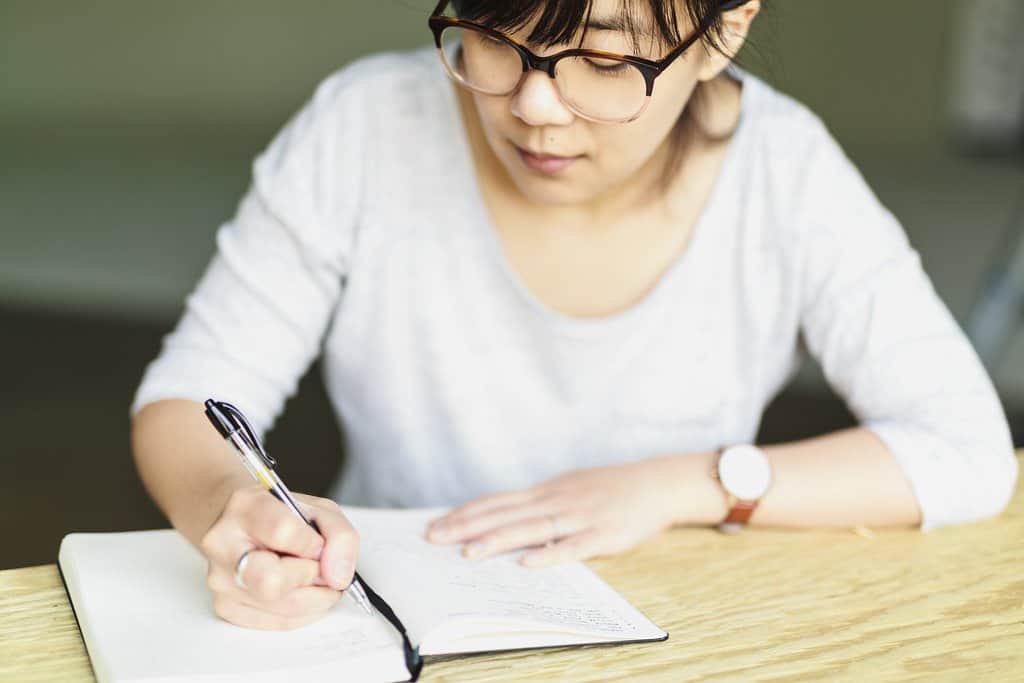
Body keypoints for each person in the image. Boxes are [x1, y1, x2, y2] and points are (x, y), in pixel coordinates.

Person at [130, 0, 1018, 631]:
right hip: (392, 619)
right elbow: (189, 396)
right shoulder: (365, 127)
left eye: (603, 60)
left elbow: (967, 452)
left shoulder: (786, 174)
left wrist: (687, 482)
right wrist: (232, 512)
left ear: (724, 31)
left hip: (684, 629)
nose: (533, 106)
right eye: (492, 36)